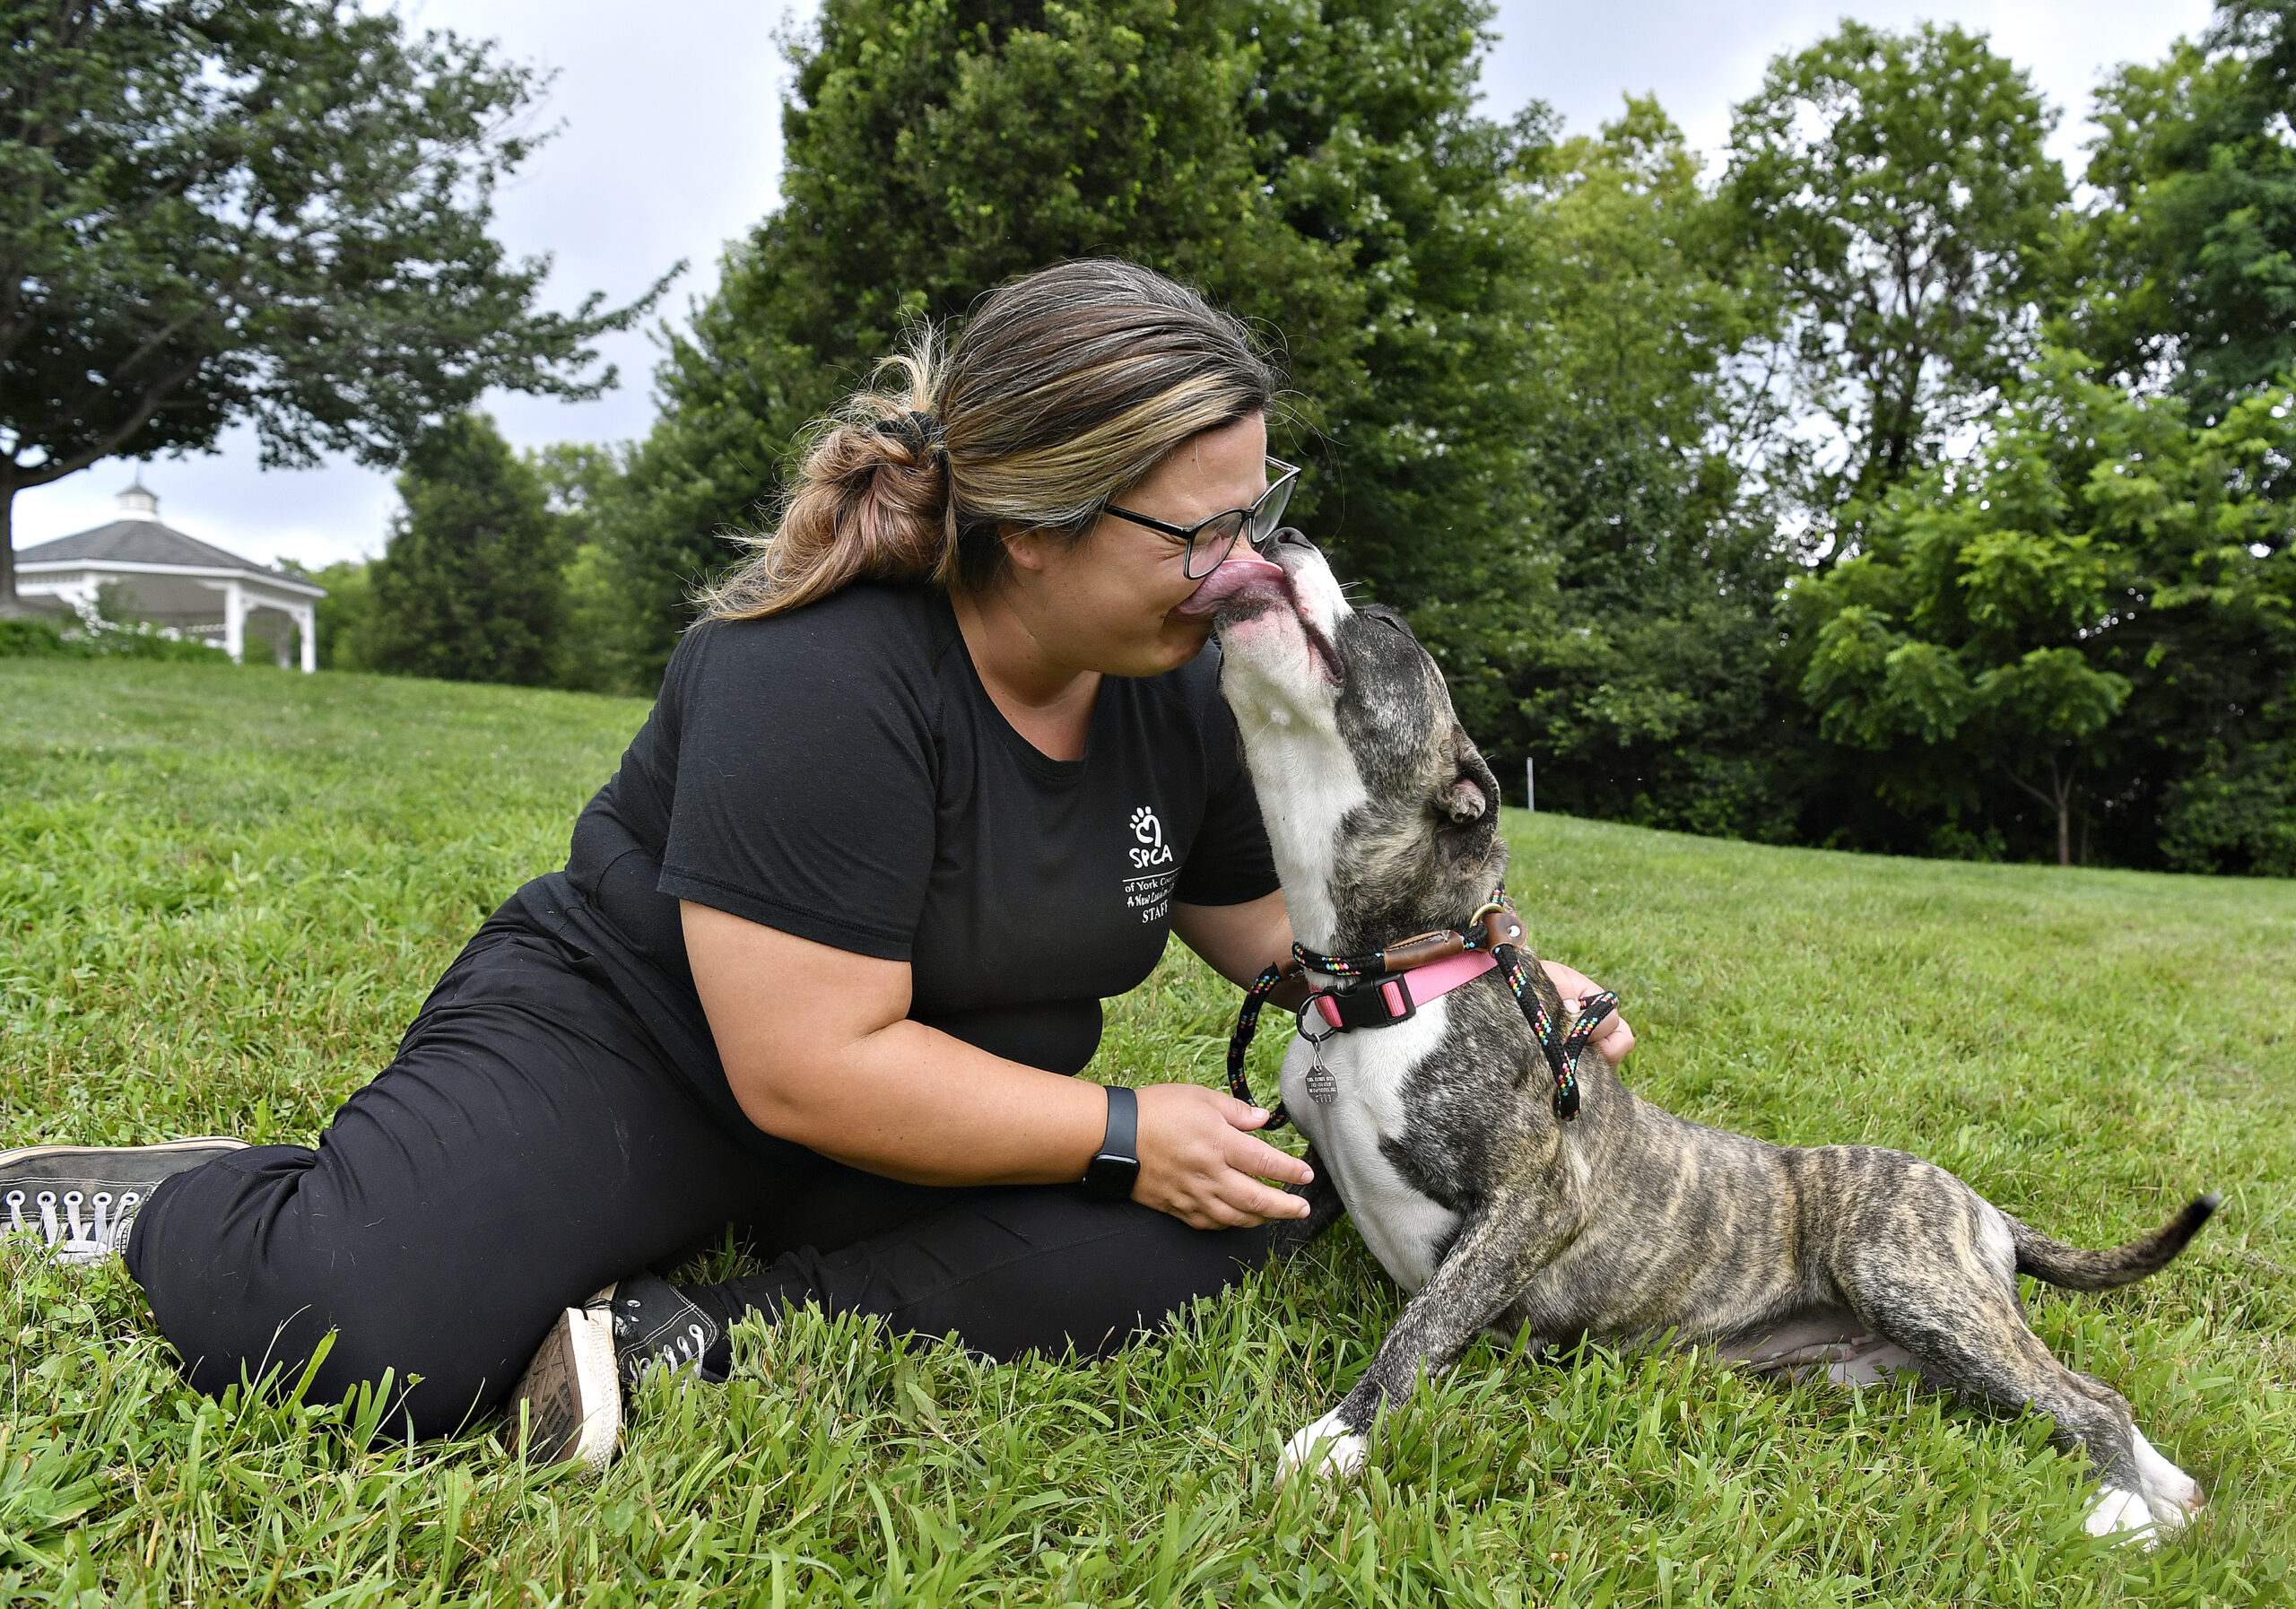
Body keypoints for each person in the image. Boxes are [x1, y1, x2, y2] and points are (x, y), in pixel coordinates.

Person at [0, 260, 1631, 1468]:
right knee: (357, 1336)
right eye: (1194, 533)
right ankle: (184, 1199)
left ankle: (687, 1338)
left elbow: (1272, 931)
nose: (1240, 572)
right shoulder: (821, 676)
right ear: (1037, 521)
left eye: (1255, 509)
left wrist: (1490, 978)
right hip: (649, 1050)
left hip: (930, 1100)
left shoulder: (1173, 698)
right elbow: (802, 1065)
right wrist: (1127, 1125)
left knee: (1250, 1209)